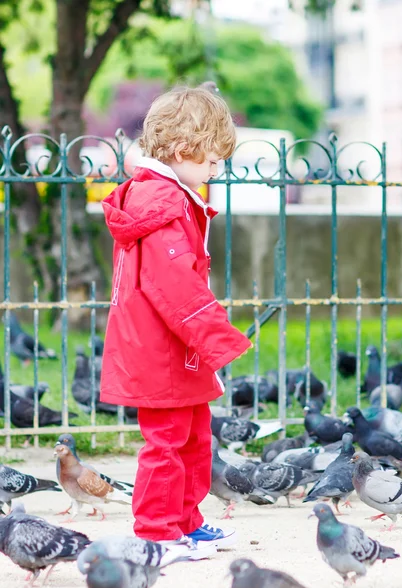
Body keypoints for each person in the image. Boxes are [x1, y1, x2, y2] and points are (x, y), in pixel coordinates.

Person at [100, 85, 252, 557]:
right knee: (166, 442)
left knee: (194, 436)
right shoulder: (162, 204)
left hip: (175, 345)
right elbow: (176, 288)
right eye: (210, 161)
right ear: (183, 151)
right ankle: (156, 532)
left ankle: (184, 521)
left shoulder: (169, 197)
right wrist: (220, 340)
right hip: (162, 346)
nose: (215, 170)